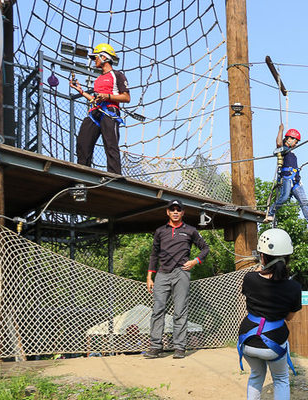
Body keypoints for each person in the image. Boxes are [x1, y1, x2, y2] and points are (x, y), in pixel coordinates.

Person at [237, 228, 302, 400]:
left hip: (248, 340)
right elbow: (289, 317)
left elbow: (255, 283)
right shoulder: (293, 287)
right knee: (281, 379)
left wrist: (260, 267)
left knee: (256, 374)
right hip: (273, 344)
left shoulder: (250, 279)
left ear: (262, 257)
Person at [145, 200, 209, 359]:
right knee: (157, 309)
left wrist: (195, 261)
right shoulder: (160, 231)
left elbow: (205, 248)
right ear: (167, 212)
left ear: (182, 213)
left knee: (180, 310)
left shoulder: (190, 230)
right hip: (162, 274)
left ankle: (179, 347)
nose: (175, 212)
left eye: (178, 210)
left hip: (181, 273)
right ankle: (155, 347)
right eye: (172, 209)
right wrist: (149, 276)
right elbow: (154, 254)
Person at [69, 43, 131, 174]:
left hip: (109, 112)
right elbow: (94, 100)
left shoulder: (117, 75)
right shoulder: (98, 79)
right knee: (83, 142)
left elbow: (126, 98)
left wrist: (107, 96)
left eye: (95, 57)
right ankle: (83, 172)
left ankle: (114, 175)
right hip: (95, 112)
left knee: (110, 145)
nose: (94, 61)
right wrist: (81, 91)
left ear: (104, 57)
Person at [263, 125, 308, 230]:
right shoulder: (283, 149)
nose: (296, 143)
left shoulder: (291, 153)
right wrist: (281, 130)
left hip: (295, 180)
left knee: (303, 201)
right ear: (289, 139)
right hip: (287, 178)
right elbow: (278, 143)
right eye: (295, 141)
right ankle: (270, 213)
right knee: (284, 197)